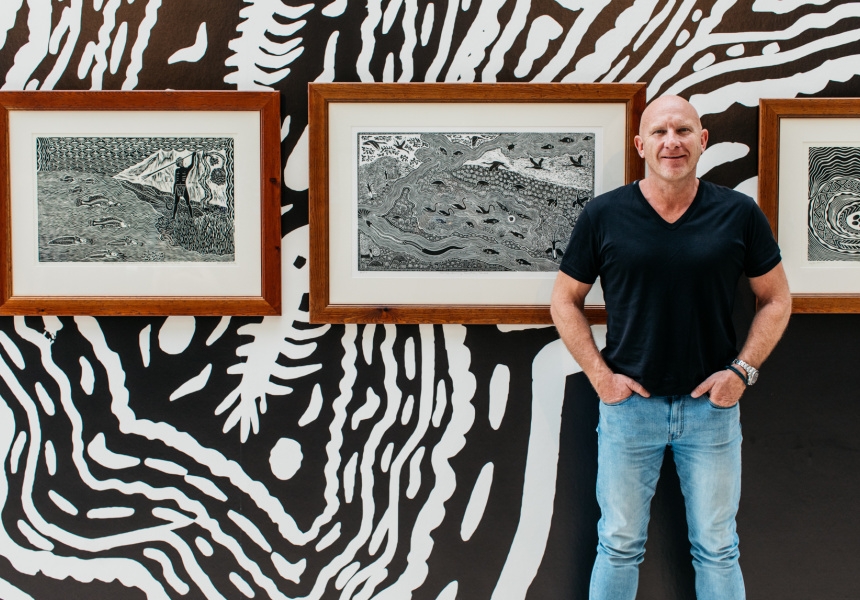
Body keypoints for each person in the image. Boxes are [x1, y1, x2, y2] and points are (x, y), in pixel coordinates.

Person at [550, 95, 791, 600]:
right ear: (640, 145)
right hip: (628, 410)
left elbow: (775, 298)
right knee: (617, 544)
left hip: (712, 411)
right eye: (659, 132)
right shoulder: (604, 215)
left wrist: (741, 372)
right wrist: (601, 378)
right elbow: (564, 301)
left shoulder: (739, 214)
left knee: (718, 546)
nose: (671, 142)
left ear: (702, 140)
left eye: (683, 130)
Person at [171, 152, 197, 219]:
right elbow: (175, 181)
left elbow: (192, 165)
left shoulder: (185, 170)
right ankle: (173, 216)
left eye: (182, 161)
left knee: (188, 202)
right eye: (180, 161)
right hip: (178, 187)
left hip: (183, 186)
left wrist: (193, 156)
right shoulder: (177, 170)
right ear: (179, 163)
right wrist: (174, 190)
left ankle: (191, 216)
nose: (182, 162)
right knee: (176, 203)